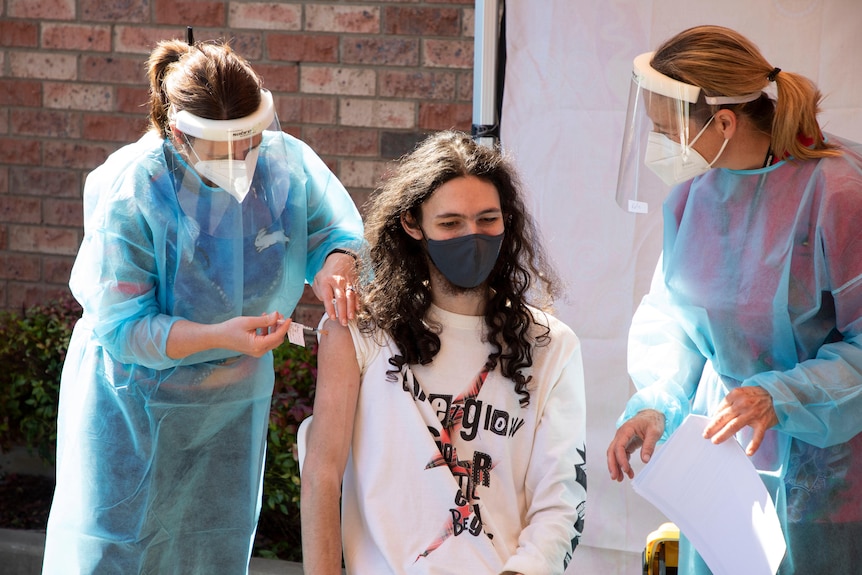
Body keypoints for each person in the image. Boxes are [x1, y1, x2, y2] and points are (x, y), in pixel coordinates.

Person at [41, 34, 364, 574]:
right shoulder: (135, 190)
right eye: (224, 148)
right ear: (177, 133)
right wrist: (220, 336)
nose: (243, 160)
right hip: (135, 415)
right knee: (120, 552)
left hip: (230, 412)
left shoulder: (283, 167)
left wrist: (336, 264)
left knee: (213, 549)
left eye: (252, 141)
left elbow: (333, 230)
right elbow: (125, 329)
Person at [606, 25, 862, 575]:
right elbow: (675, 322)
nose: (659, 144)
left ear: (723, 122)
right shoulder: (695, 199)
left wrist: (783, 396)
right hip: (726, 484)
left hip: (830, 489)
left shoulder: (838, 193)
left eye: (664, 128)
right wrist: (661, 400)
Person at [300, 130, 587, 574]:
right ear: (413, 224)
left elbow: (562, 497)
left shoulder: (551, 344)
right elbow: (321, 475)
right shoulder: (360, 331)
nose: (472, 236)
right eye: (451, 223)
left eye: (487, 219)